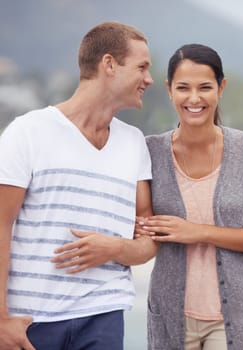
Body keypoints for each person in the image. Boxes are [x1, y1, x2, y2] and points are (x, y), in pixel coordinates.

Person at [0, 21, 158, 350]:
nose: (149, 79)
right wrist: (1, 319)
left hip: (103, 315)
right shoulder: (27, 132)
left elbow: (148, 239)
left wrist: (114, 248)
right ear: (109, 64)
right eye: (142, 67)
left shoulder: (134, 143)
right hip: (30, 320)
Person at [137, 44, 243, 350]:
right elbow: (139, 222)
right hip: (170, 315)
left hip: (231, 319)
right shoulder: (149, 152)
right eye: (183, 88)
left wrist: (197, 232)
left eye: (205, 87)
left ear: (221, 87)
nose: (194, 98)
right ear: (169, 90)